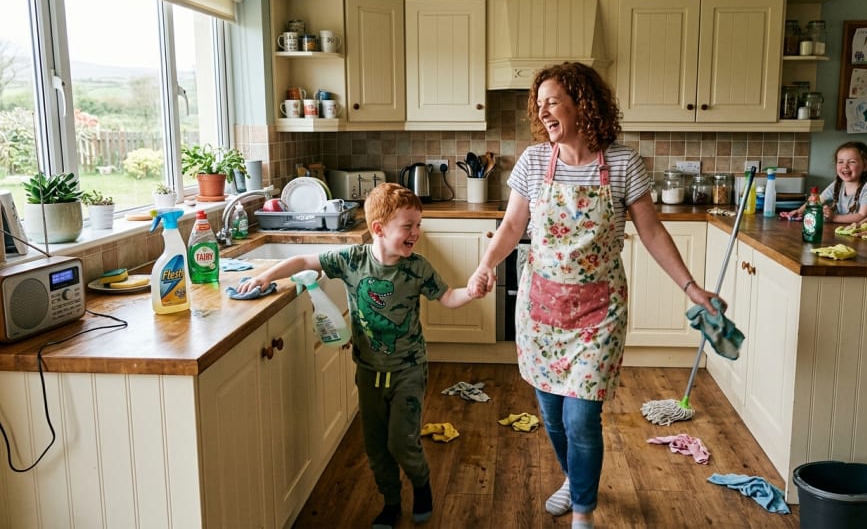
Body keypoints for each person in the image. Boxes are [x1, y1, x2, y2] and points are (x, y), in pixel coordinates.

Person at [467, 62, 721, 528]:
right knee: (553, 417)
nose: (543, 112)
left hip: (598, 315)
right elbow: (511, 226)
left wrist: (690, 286)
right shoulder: (533, 161)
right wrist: (485, 266)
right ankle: (574, 480)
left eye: (552, 101)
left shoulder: (623, 163)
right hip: (540, 310)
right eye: (538, 104)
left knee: (582, 418)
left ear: (582, 104)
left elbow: (653, 232)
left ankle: (583, 514)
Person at [237, 183, 481, 528]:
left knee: (402, 442)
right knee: (376, 447)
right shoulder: (351, 259)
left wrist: (470, 291)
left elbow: (448, 298)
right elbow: (305, 260)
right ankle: (391, 502)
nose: (417, 232)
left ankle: (422, 485)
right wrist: (265, 276)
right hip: (367, 370)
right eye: (408, 226)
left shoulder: (418, 269)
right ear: (379, 229)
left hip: (408, 369)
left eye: (419, 224)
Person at [783, 141, 867, 224]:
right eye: (840, 162)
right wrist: (799, 211)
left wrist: (834, 218)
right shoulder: (837, 185)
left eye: (852, 162)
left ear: (866, 166)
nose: (845, 166)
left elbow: (862, 216)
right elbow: (818, 200)